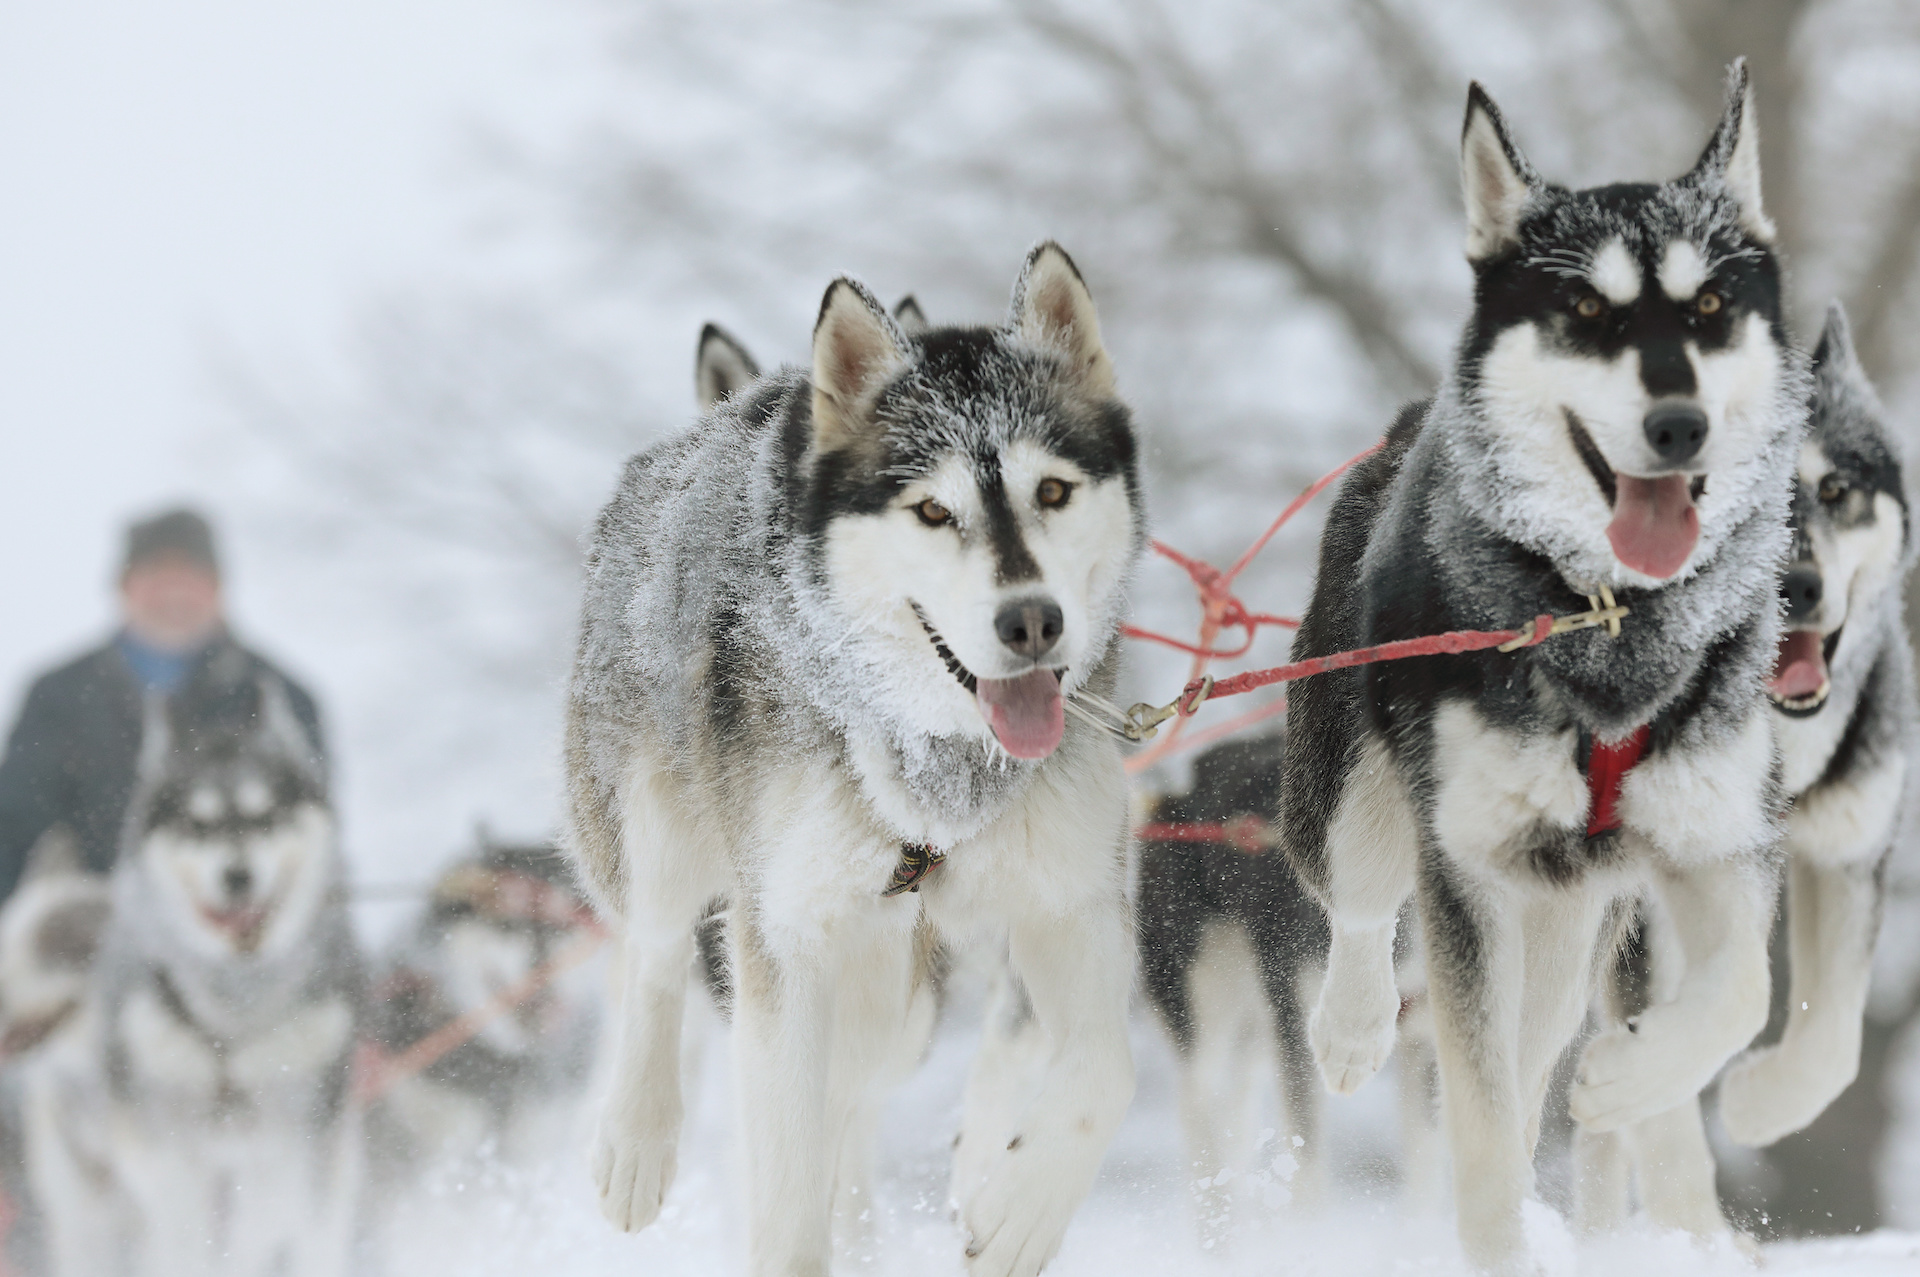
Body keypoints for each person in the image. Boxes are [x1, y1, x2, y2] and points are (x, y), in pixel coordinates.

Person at [0, 508, 326, 905]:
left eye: (190, 578)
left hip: (239, 920)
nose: (174, 594)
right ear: (123, 587)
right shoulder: (57, 695)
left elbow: (315, 832)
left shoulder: (280, 697)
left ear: (219, 588)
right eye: (156, 578)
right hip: (87, 925)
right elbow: (14, 827)